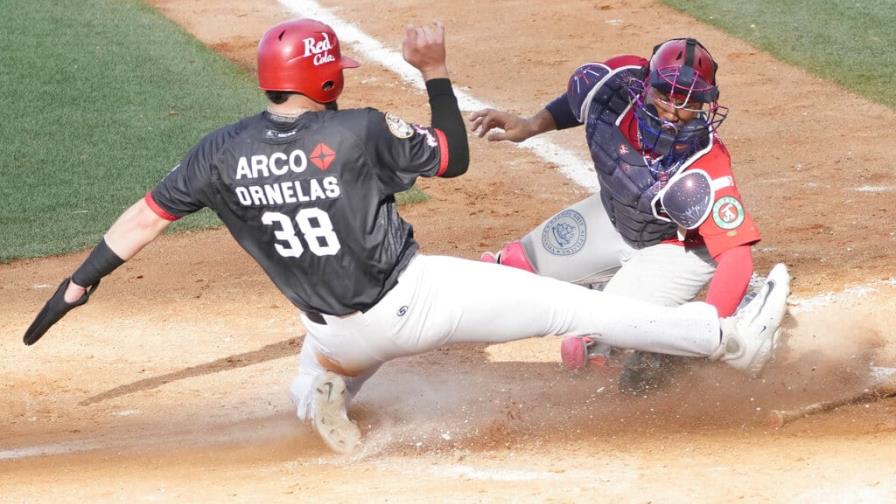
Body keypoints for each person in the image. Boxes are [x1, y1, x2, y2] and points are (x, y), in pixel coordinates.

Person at [24, 22, 790, 455]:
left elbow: (143, 219)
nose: (678, 109)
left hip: (333, 333)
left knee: (337, 361)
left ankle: (318, 392)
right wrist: (441, 75)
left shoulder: (216, 153)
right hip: (421, 299)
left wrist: (78, 282)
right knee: (563, 308)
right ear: (328, 80)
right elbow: (452, 154)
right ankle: (719, 337)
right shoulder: (358, 130)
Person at [471, 38, 764, 394]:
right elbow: (580, 104)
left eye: (688, 102)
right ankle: (611, 293)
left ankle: (719, 316)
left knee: (588, 341)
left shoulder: (705, 163)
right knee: (506, 271)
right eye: (665, 96)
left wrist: (711, 329)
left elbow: (736, 254)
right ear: (646, 84)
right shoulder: (612, 84)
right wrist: (531, 125)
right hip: (615, 218)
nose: (673, 112)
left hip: (675, 251)